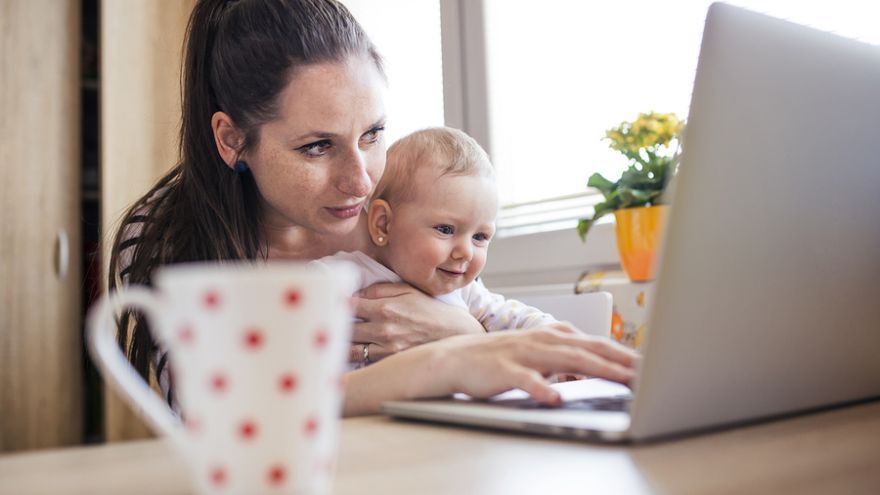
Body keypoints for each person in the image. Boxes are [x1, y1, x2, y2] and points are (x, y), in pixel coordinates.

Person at [109, 0, 639, 417]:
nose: (360, 179)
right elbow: (214, 415)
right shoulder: (165, 236)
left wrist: (463, 336)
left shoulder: (401, 204)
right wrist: (442, 361)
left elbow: (484, 311)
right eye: (317, 146)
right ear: (231, 139)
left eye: (373, 133)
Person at [314, 127, 577, 368]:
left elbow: (518, 321)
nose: (466, 252)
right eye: (446, 229)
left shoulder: (468, 294)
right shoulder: (345, 276)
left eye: (481, 236)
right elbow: (288, 311)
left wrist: (563, 347)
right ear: (384, 224)